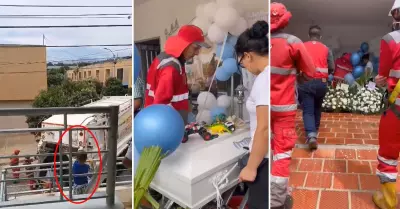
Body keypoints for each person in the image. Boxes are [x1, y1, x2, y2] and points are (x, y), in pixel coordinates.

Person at [270, 3, 316, 209]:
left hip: (261, 108)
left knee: (267, 148)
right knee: (282, 153)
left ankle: (267, 190)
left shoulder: (258, 44)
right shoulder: (293, 42)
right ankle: (277, 200)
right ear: (285, 20)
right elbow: (311, 71)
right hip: (284, 109)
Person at [234, 20, 270, 209]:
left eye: (242, 62)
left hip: (265, 158)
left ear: (248, 56)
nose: (244, 67)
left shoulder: (264, 79)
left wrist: (251, 167)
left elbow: (264, 128)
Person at [144, 25, 210, 125]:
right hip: (168, 125)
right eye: (196, 48)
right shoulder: (171, 68)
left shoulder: (170, 59)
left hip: (167, 121)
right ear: (185, 44)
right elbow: (161, 104)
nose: (197, 53)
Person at [372, 2, 400, 208]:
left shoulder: (391, 39)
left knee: (389, 151)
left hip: (396, 107)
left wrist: (380, 79)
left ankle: (388, 200)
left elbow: (383, 73)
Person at [298, 25, 334, 151]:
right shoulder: (326, 48)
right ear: (320, 36)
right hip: (321, 82)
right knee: (317, 106)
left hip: (306, 82)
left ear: (309, 36)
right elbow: (332, 67)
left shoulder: (302, 46)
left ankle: (311, 135)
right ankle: (315, 128)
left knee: (308, 109)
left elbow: (296, 64)